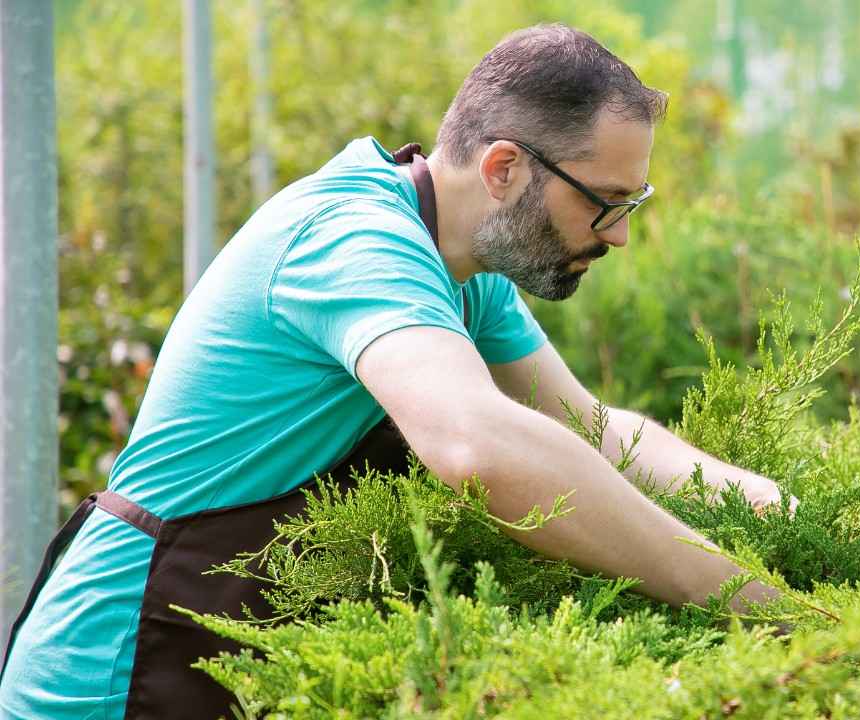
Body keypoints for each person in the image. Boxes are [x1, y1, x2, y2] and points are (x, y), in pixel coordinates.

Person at [0, 23, 791, 719]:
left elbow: (590, 427)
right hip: (123, 663)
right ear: (504, 169)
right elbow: (478, 445)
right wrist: (730, 590)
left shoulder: (460, 271)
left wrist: (769, 509)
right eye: (604, 201)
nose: (618, 236)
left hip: (219, 641)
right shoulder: (354, 242)